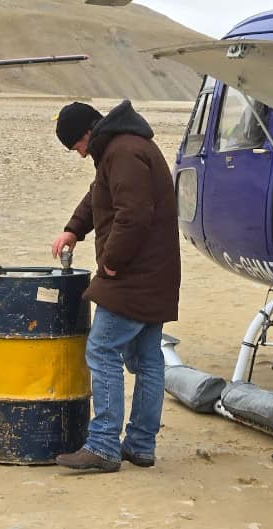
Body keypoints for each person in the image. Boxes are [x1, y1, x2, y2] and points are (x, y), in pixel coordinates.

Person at [50, 100, 181, 473]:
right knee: (147, 358)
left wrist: (110, 262)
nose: (79, 154)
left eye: (76, 146)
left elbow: (134, 215)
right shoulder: (123, 147)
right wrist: (74, 229)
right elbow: (99, 196)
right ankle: (140, 445)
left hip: (133, 276)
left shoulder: (122, 152)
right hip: (154, 274)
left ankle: (104, 445)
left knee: (102, 348)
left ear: (88, 134)